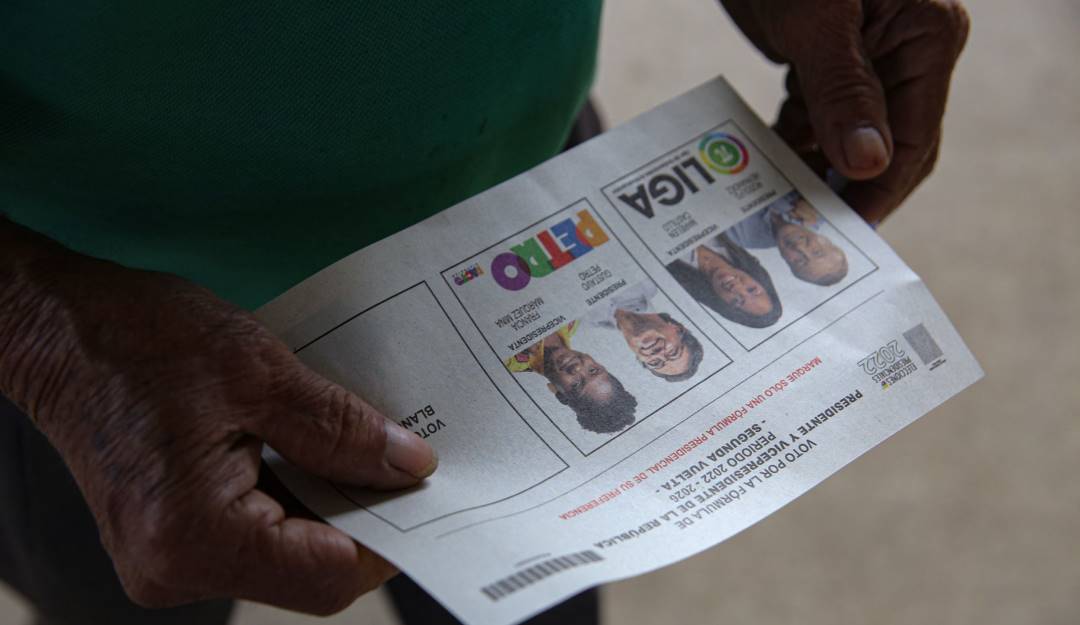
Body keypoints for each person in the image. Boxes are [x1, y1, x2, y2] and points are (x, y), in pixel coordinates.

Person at [0, 0, 969, 623]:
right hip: (98, 332)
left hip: (524, 195)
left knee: (528, 604)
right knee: (130, 597)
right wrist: (39, 331)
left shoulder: (587, 339)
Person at [506, 322, 639, 434]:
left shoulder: (508, 361)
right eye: (593, 370)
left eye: (576, 384)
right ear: (599, 363)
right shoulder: (572, 322)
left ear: (554, 389)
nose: (577, 368)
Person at [584, 280, 704, 381]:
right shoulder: (647, 282)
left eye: (655, 363)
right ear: (677, 328)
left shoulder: (587, 321)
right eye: (673, 352)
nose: (658, 354)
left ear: (639, 358)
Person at [726, 191, 849, 286]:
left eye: (799, 261)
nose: (800, 248)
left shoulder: (741, 237)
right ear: (825, 240)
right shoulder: (822, 204)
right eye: (817, 252)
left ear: (785, 259)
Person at [667, 234, 783, 328]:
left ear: (723, 304)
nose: (736, 287)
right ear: (758, 279)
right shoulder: (738, 239)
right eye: (751, 289)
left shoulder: (674, 280)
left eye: (737, 301)